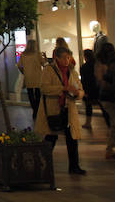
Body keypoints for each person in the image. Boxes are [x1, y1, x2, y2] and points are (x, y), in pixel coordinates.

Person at [35, 46, 86, 175]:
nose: (66, 60)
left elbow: (80, 89)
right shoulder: (49, 70)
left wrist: (77, 94)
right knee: (51, 136)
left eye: (68, 57)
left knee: (72, 138)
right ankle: (41, 164)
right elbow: (44, 88)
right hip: (54, 109)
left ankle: (74, 166)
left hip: (69, 109)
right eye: (64, 57)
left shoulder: (72, 71)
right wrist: (63, 88)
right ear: (56, 58)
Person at [97, 42, 115, 159]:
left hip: (108, 98)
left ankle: (110, 149)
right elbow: (111, 84)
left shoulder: (112, 64)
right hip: (110, 98)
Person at [80, 49, 105, 131]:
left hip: (89, 89)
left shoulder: (84, 67)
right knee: (103, 107)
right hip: (98, 88)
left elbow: (84, 80)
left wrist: (84, 91)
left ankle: (88, 122)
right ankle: (109, 125)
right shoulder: (97, 65)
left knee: (88, 106)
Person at [18, 40, 44, 120]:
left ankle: (34, 110)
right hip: (38, 77)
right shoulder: (37, 54)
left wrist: (24, 72)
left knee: (30, 95)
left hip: (28, 77)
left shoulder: (23, 55)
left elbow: (19, 65)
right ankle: (36, 111)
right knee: (38, 95)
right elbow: (43, 63)